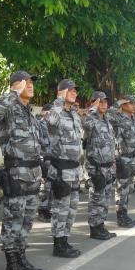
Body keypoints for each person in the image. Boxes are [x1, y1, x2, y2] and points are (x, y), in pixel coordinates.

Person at [0, 70, 45, 270]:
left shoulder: (29, 111)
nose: (30, 85)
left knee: (27, 220)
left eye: (31, 82)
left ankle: (21, 257)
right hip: (16, 173)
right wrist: (13, 93)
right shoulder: (9, 107)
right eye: (26, 82)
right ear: (15, 85)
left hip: (33, 172)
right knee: (13, 220)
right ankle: (11, 264)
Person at [45, 79, 83, 258]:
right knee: (61, 208)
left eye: (75, 91)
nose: (74, 93)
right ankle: (58, 244)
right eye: (70, 90)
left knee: (72, 208)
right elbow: (50, 121)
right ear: (61, 92)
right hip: (61, 169)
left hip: (75, 169)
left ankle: (65, 240)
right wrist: (59, 100)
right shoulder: (56, 112)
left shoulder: (73, 114)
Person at [83, 91, 117, 240]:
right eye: (100, 102)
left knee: (106, 198)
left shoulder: (107, 121)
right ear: (94, 103)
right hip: (97, 166)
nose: (104, 105)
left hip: (109, 166)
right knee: (97, 198)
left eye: (105, 102)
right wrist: (92, 108)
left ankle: (101, 225)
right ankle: (95, 228)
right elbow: (85, 124)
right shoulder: (91, 120)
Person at [108, 96, 135, 227]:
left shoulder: (133, 119)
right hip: (123, 158)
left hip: (132, 158)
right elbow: (109, 113)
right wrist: (119, 102)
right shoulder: (119, 119)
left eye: (134, 103)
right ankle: (121, 216)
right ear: (124, 105)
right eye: (130, 103)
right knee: (122, 189)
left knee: (129, 188)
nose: (134, 105)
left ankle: (125, 213)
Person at [37, 103, 53, 222]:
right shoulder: (39, 124)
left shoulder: (52, 125)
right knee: (45, 187)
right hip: (43, 158)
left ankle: (48, 209)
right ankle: (42, 210)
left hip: (53, 159)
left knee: (51, 186)